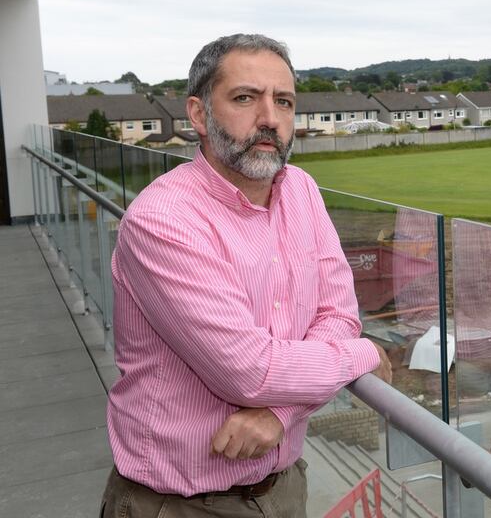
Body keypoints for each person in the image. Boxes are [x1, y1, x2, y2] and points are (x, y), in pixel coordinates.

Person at [101, 34, 392, 517]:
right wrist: (363, 354)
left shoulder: (301, 190)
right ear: (198, 115)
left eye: (283, 101)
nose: (270, 119)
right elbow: (250, 371)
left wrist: (281, 413)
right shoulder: (163, 220)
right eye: (244, 98)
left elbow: (338, 315)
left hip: (283, 488)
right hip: (179, 505)